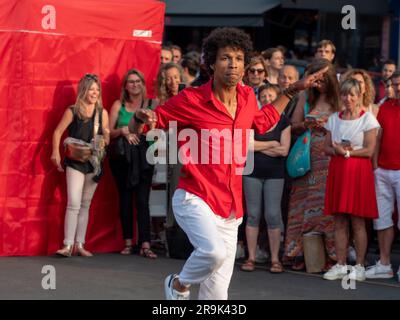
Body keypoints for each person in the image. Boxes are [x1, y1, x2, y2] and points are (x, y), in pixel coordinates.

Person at [130, 27, 328, 300]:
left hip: (231, 208)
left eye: (238, 58)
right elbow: (149, 122)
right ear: (212, 62)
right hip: (195, 196)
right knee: (213, 252)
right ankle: (178, 285)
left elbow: (262, 122)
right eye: (225, 57)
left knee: (217, 295)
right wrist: (141, 118)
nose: (233, 64)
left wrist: (294, 89)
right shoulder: (192, 99)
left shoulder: (247, 97)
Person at [283, 59, 340, 271]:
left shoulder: (340, 100)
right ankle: (297, 253)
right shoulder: (305, 97)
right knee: (301, 206)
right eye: (315, 80)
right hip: (306, 163)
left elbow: (349, 126)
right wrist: (307, 124)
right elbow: (293, 126)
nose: (318, 84)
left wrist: (329, 126)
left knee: (328, 210)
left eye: (323, 79)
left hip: (330, 160)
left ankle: (331, 256)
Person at [323, 79, 380, 281]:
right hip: (338, 171)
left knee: (357, 221)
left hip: (358, 172)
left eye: (352, 95)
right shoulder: (333, 119)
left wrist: (345, 153)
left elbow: (369, 150)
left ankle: (360, 266)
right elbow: (327, 147)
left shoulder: (368, 120)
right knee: (339, 220)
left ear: (359, 97)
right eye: (345, 94)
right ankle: (340, 264)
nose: (348, 98)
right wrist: (337, 151)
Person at [51, 74, 110, 257]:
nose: (95, 92)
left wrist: (103, 140)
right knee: (74, 203)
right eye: (91, 89)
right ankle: (67, 245)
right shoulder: (73, 110)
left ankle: (80, 244)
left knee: (85, 204)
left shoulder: (102, 113)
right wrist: (55, 153)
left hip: (93, 162)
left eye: (97, 89)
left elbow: (107, 135)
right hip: (75, 162)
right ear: (83, 90)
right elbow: (58, 131)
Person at [108, 69, 156, 258]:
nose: (135, 85)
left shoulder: (151, 104)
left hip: (145, 156)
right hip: (122, 159)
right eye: (131, 82)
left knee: (143, 200)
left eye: (138, 81)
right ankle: (128, 242)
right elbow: (108, 132)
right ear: (125, 86)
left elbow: (156, 130)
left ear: (143, 84)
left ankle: (145, 243)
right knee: (126, 199)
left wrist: (149, 125)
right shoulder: (118, 105)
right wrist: (123, 131)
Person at [241, 111, 291, 273]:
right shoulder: (251, 118)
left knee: (273, 215)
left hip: (275, 175)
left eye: (271, 96)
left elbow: (284, 150)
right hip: (251, 173)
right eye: (264, 96)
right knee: (253, 214)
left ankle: (275, 259)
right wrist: (272, 144)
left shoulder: (284, 121)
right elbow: (247, 146)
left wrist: (258, 146)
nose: (267, 99)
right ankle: (251, 257)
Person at [366, 71, 400, 281]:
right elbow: (378, 139)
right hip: (383, 171)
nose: (397, 88)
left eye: (399, 84)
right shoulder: (386, 107)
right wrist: (376, 166)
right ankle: (384, 264)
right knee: (383, 219)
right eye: (394, 84)